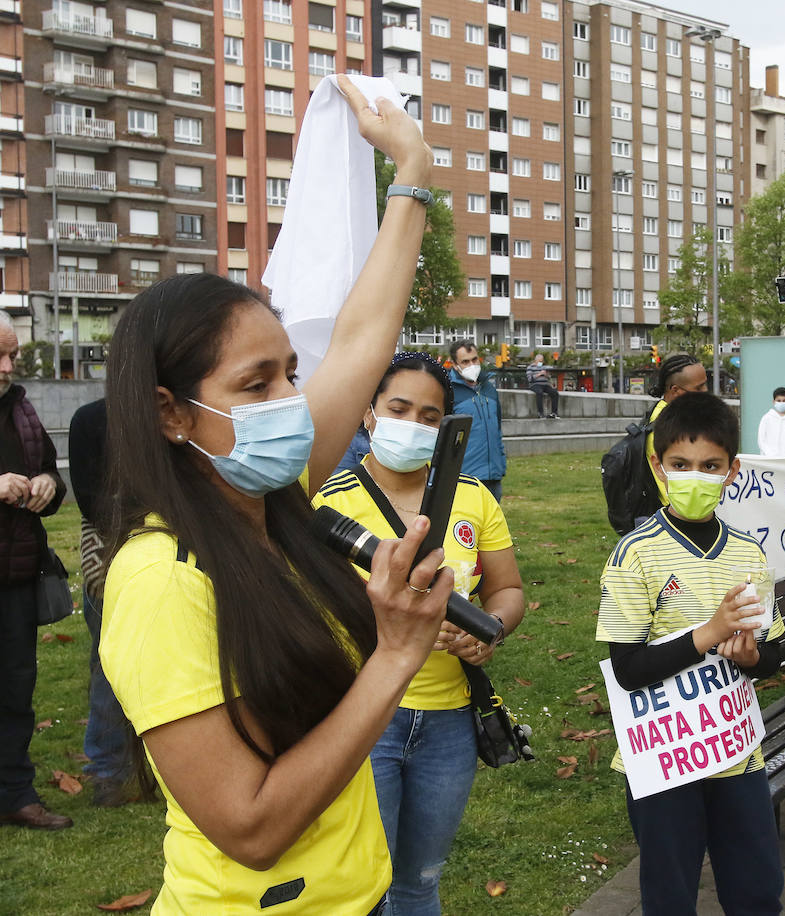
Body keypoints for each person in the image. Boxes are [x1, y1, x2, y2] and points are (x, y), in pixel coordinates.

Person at [100, 79, 443, 913]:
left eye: (293, 372)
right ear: (170, 413)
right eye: (257, 384)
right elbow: (249, 826)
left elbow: (364, 335)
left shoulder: (271, 496)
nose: (293, 402)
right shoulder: (160, 582)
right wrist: (395, 656)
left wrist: (414, 169)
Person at [314, 352, 525, 915]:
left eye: (430, 416)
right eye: (398, 408)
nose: (413, 424)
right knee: (367, 888)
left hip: (450, 724)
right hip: (363, 723)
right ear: (368, 413)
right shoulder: (326, 505)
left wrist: (490, 631)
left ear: (448, 428)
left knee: (421, 880)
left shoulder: (475, 498)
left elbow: (508, 591)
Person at [598, 392, 785, 915]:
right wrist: (708, 633)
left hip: (737, 755)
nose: (695, 477)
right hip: (662, 761)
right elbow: (628, 669)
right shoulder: (635, 552)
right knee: (670, 894)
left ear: (732, 471)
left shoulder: (749, 553)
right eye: (681, 465)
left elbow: (768, 654)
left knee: (756, 890)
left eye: (710, 466)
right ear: (658, 467)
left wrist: (752, 657)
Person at [0, 311, 72, 831]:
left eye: (13, 356)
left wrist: (48, 483)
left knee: (15, 689)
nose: (7, 367)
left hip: (17, 580)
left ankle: (16, 794)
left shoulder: (21, 409)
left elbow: (48, 467)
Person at [68, 397, 135, 808]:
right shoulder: (91, 419)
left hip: (172, 538)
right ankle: (109, 769)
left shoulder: (173, 412)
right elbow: (88, 497)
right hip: (108, 549)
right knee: (109, 660)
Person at [644, 354, 709, 508]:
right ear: (676, 391)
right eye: (699, 387)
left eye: (706, 385)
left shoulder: (667, 414)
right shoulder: (668, 427)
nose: (705, 391)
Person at [449, 339, 507, 501]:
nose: (472, 365)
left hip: (493, 476)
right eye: (465, 362)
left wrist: (501, 464)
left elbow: (497, 429)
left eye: (474, 359)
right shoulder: (448, 392)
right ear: (455, 365)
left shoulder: (489, 388)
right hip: (466, 477)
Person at [756, 386, 785, 457]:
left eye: (784, 400)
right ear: (773, 402)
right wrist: (770, 454)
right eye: (778, 400)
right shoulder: (767, 418)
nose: (781, 403)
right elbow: (761, 440)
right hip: (769, 460)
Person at [526, 353, 559, 419]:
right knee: (539, 392)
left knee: (555, 393)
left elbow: (549, 377)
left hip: (545, 384)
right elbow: (530, 379)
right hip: (535, 384)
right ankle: (540, 413)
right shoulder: (530, 367)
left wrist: (546, 375)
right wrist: (539, 374)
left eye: (542, 361)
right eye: (540, 361)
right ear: (536, 361)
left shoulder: (544, 367)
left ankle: (554, 413)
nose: (541, 362)